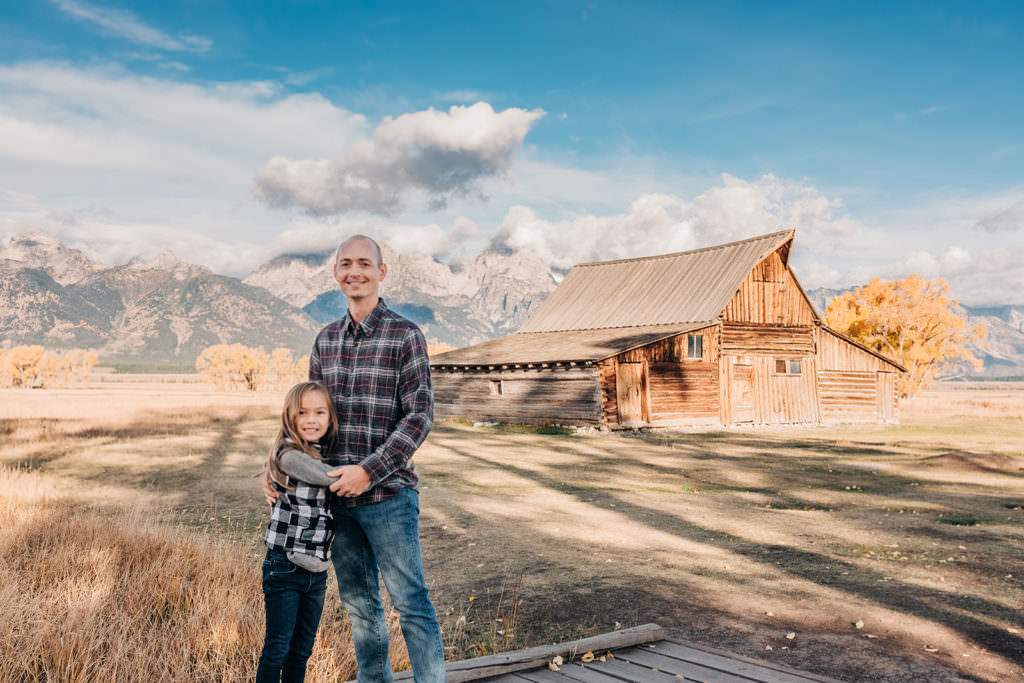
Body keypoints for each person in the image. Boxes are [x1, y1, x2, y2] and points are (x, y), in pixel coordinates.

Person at [265, 234, 445, 683]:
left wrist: (369, 471)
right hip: (336, 503)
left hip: (388, 496)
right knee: (361, 608)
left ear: (381, 272)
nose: (355, 271)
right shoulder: (325, 341)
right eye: (346, 264)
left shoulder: (405, 335)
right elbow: (305, 419)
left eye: (365, 263)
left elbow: (419, 416)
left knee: (412, 604)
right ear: (336, 274)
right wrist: (272, 469)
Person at [257, 381, 340, 683]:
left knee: (302, 648)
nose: (311, 420)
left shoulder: (322, 451)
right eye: (302, 412)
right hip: (285, 566)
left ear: (330, 418)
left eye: (320, 412)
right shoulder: (289, 455)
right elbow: (327, 476)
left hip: (316, 571)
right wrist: (377, 471)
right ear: (288, 418)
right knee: (277, 647)